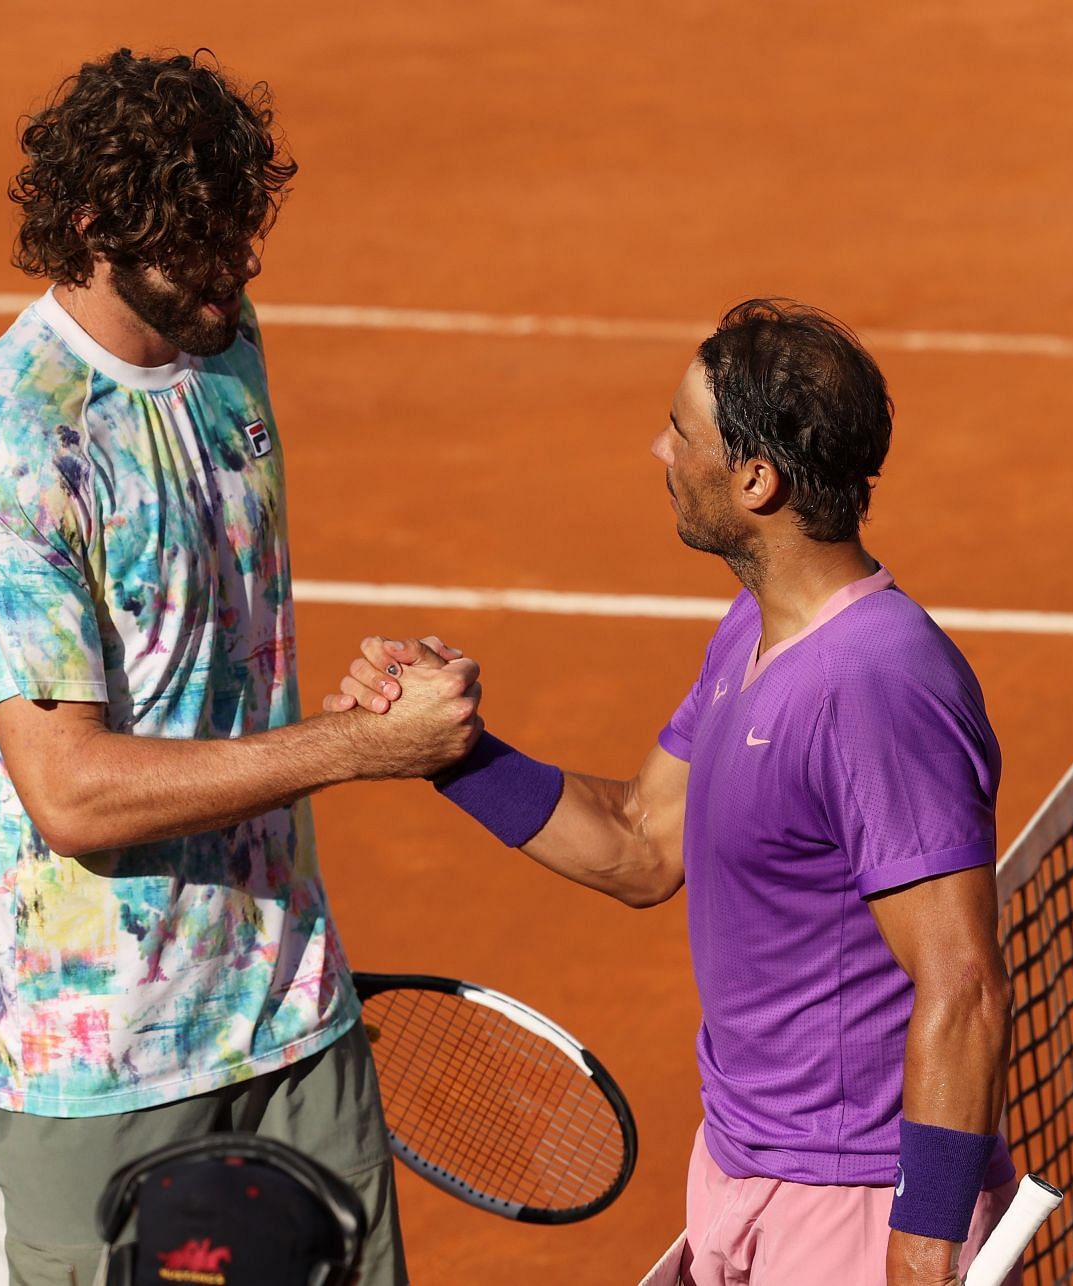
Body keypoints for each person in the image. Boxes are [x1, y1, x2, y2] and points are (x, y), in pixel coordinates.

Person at [0, 49, 477, 1286]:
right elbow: (71, 792)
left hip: (286, 1012)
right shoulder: (7, 450)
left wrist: (349, 701)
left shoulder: (223, 342)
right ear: (95, 227)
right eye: (196, 242)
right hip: (96, 1060)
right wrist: (353, 748)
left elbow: (210, 649)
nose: (237, 270)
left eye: (242, 232)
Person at [325, 300, 1020, 1286]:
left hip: (858, 1204)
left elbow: (966, 986)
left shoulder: (877, 682)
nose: (659, 446)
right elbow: (642, 842)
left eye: (681, 429)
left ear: (755, 477)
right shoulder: (753, 629)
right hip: (743, 1171)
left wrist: (922, 1245)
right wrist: (448, 753)